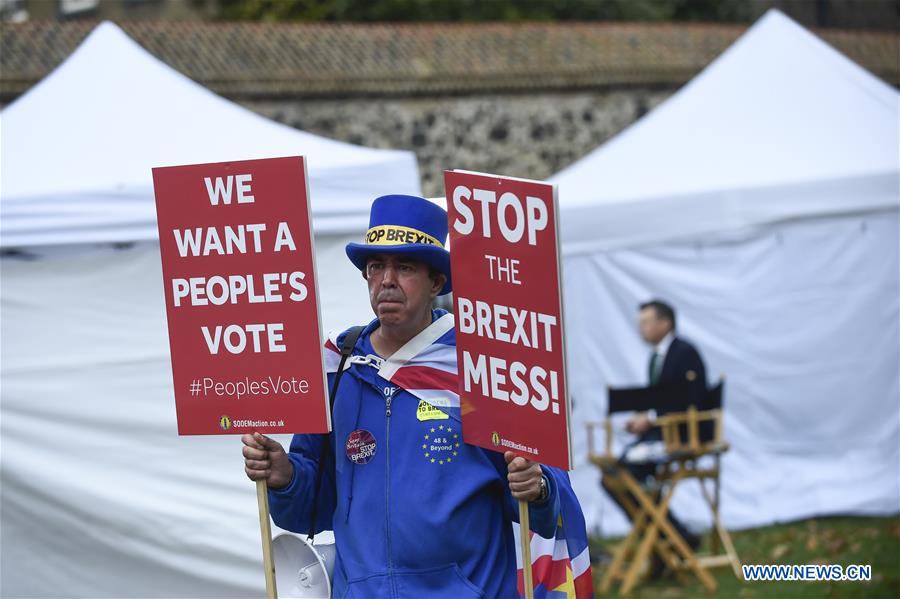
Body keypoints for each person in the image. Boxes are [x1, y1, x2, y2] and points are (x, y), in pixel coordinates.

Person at [242, 194, 587, 598]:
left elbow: (536, 503)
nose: (386, 280)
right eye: (376, 267)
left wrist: (538, 486)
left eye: (404, 267)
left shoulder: (481, 365)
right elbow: (309, 510)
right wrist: (284, 477)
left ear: (436, 282)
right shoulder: (339, 366)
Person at [601, 300, 707, 560]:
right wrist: (644, 417)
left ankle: (667, 541)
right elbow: (662, 398)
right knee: (613, 477)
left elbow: (690, 398)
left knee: (626, 474)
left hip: (680, 436)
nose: (642, 329)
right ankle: (669, 540)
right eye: (640, 323)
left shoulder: (684, 353)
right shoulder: (657, 356)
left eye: (647, 322)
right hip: (660, 434)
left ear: (666, 323)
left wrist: (651, 418)